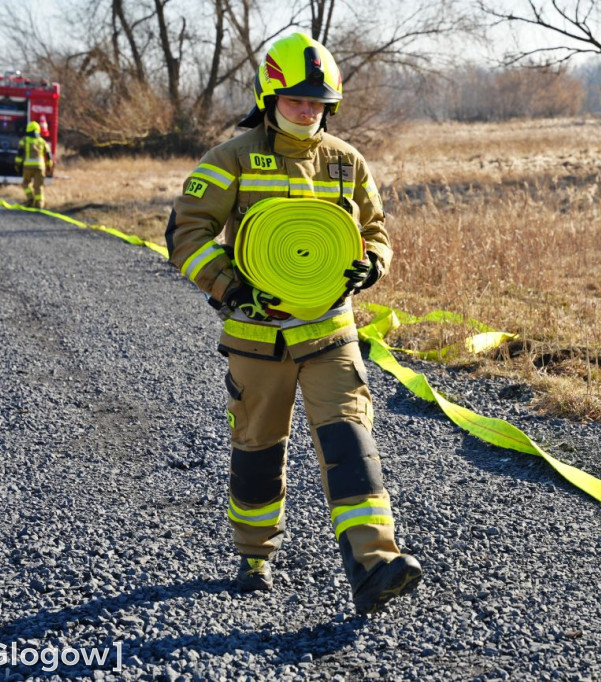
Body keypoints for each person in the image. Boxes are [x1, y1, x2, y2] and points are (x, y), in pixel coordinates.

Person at [166, 32, 422, 615]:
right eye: (297, 101)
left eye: (318, 103)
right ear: (269, 96)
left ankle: (374, 565)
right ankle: (255, 553)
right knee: (259, 447)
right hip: (258, 340)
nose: (309, 112)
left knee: (350, 439)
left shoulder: (345, 161)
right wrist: (232, 285)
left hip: (331, 331)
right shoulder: (231, 159)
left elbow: (376, 229)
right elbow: (185, 234)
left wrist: (371, 266)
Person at [14, 120, 51, 208]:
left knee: (26, 183)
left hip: (28, 167)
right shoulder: (42, 141)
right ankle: (39, 205)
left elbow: (20, 154)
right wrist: (49, 166)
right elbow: (48, 155)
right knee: (39, 186)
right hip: (40, 167)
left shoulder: (24, 140)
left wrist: (17, 165)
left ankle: (30, 199)